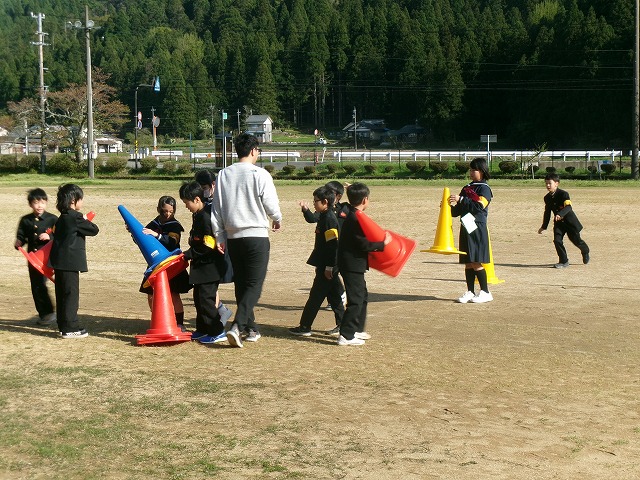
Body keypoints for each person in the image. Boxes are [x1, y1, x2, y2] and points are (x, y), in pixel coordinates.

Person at [211, 132, 282, 348]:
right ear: (253, 151)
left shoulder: (223, 174)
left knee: (242, 283)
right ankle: (238, 326)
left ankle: (251, 328)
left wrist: (219, 235)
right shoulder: (260, 174)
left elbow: (217, 208)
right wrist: (277, 218)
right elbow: (270, 202)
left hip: (233, 237)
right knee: (254, 284)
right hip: (256, 235)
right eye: (258, 150)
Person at [337, 182, 391, 346]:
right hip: (351, 264)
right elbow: (363, 244)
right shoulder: (355, 218)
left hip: (353, 264)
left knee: (362, 296)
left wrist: (352, 189)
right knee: (356, 299)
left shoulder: (351, 213)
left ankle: (357, 329)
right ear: (365, 199)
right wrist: (383, 244)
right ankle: (346, 335)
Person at [289, 185, 344, 336]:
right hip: (325, 264)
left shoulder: (329, 219)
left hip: (328, 265)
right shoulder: (323, 215)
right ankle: (343, 324)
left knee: (315, 296)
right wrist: (305, 210)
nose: (314, 203)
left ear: (325, 202)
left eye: (315, 201)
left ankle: (305, 327)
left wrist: (329, 267)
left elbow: (333, 246)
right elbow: (311, 218)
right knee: (334, 296)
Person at [48, 184, 99, 338]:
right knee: (71, 295)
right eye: (80, 199)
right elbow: (94, 229)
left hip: (59, 261)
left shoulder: (62, 217)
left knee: (62, 294)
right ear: (73, 200)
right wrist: (85, 219)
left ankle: (63, 325)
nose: (81, 202)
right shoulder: (75, 217)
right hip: (70, 262)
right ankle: (71, 328)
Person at [179, 181, 227, 344]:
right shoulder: (198, 215)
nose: (186, 206)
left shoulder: (206, 216)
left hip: (210, 267)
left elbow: (209, 244)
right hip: (200, 267)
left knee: (206, 300)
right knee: (199, 298)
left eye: (187, 202)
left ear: (197, 199)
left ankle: (217, 331)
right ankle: (202, 329)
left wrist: (188, 254)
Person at [138, 196, 191, 331]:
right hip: (155, 265)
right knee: (151, 295)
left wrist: (156, 235)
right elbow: (143, 239)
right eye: (164, 211)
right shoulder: (154, 223)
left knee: (174, 294)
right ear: (158, 209)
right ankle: (159, 320)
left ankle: (179, 323)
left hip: (171, 264)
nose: (167, 214)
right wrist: (134, 232)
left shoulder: (175, 225)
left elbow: (172, 242)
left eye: (171, 211)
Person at [449, 157, 493, 304]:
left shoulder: (485, 188)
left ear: (482, 171)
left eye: (475, 170)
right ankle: (470, 291)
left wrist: (461, 199)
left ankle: (485, 292)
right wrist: (448, 207)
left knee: (476, 261)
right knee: (468, 261)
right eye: (471, 169)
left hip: (477, 225)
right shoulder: (467, 188)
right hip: (466, 224)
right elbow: (457, 212)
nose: (471, 172)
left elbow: (479, 206)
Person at [14, 188, 58, 325]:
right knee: (36, 286)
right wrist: (19, 242)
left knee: (43, 284)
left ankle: (52, 313)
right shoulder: (25, 220)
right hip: (33, 260)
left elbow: (61, 236)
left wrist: (50, 237)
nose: (39, 206)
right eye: (36, 202)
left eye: (43, 202)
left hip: (48, 258)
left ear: (46, 203)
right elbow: (21, 236)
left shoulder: (53, 219)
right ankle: (45, 314)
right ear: (30, 204)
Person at [195, 169, 233, 324]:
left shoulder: (222, 199)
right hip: (209, 245)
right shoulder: (204, 202)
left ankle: (218, 318)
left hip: (221, 243)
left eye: (204, 188)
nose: (203, 191)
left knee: (211, 284)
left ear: (213, 184)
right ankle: (221, 310)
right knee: (210, 285)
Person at [538, 173, 590, 268]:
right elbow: (547, 212)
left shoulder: (563, 194)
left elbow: (568, 207)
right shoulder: (547, 198)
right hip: (559, 224)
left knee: (577, 241)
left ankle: (585, 250)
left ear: (556, 183)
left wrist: (560, 214)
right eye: (546, 183)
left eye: (550, 183)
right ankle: (563, 261)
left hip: (570, 223)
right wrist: (544, 226)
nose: (548, 185)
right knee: (557, 241)